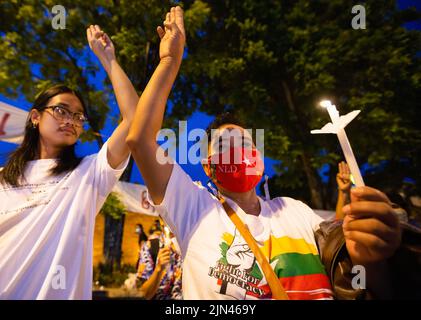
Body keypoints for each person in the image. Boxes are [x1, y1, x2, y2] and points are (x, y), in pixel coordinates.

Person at [126, 6, 401, 299]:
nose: (237, 151)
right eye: (224, 145)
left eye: (245, 143)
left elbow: (356, 283)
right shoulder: (193, 209)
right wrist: (169, 61)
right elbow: (141, 140)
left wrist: (372, 260)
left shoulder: (296, 212)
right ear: (208, 167)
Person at [0, 25, 138, 299]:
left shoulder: (89, 173)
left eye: (78, 116)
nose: (71, 121)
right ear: (36, 117)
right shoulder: (3, 177)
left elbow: (135, 119)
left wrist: (109, 60)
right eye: (61, 110)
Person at [136, 219, 182, 300]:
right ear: (161, 220)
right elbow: (143, 294)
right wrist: (159, 269)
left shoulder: (194, 248)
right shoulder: (151, 247)